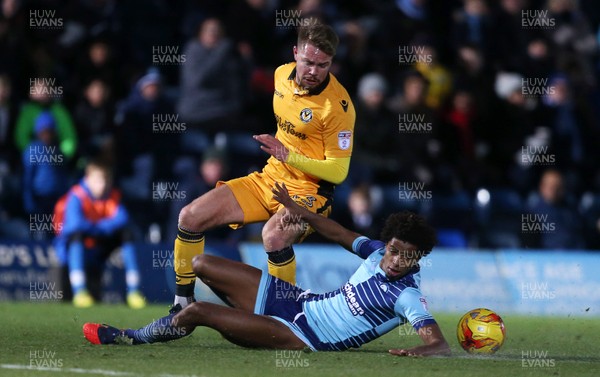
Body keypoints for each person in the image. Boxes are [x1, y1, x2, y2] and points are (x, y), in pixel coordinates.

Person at [83, 182, 450, 357]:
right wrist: (295, 206)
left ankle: (136, 336)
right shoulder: (373, 252)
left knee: (199, 312)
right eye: (394, 250)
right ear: (387, 244)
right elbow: (338, 231)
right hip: (298, 301)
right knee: (201, 263)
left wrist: (422, 351)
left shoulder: (406, 296)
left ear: (419, 259)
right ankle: (192, 313)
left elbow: (439, 344)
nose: (396, 260)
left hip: (301, 335)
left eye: (407, 257)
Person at [170, 22, 355, 309]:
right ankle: (182, 303)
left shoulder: (338, 107)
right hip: (270, 178)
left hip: (310, 193)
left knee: (274, 236)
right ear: (296, 53)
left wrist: (289, 155)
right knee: (189, 217)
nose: (313, 72)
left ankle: (285, 317)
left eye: (323, 65)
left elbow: (339, 172)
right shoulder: (281, 74)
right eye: (308, 62)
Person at [53, 160, 146, 308]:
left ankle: (134, 292)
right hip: (70, 252)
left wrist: (96, 228)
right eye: (98, 180)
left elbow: (122, 218)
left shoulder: (112, 195)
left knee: (127, 235)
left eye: (105, 180)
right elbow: (74, 225)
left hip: (99, 246)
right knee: (76, 235)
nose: (102, 185)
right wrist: (101, 227)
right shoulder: (76, 195)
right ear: (88, 178)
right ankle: (79, 291)